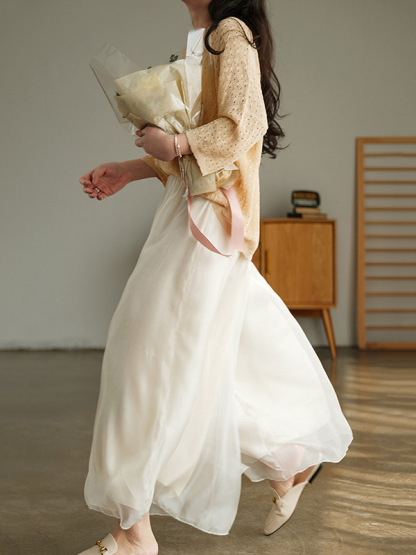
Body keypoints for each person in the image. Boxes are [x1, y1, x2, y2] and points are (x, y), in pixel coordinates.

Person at [77, 1, 353, 554]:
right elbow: (198, 137)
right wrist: (131, 169)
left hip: (208, 219)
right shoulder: (204, 36)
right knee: (214, 357)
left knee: (146, 355)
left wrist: (178, 143)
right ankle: (288, 462)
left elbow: (244, 125)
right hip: (190, 211)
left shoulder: (230, 33)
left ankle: (133, 533)